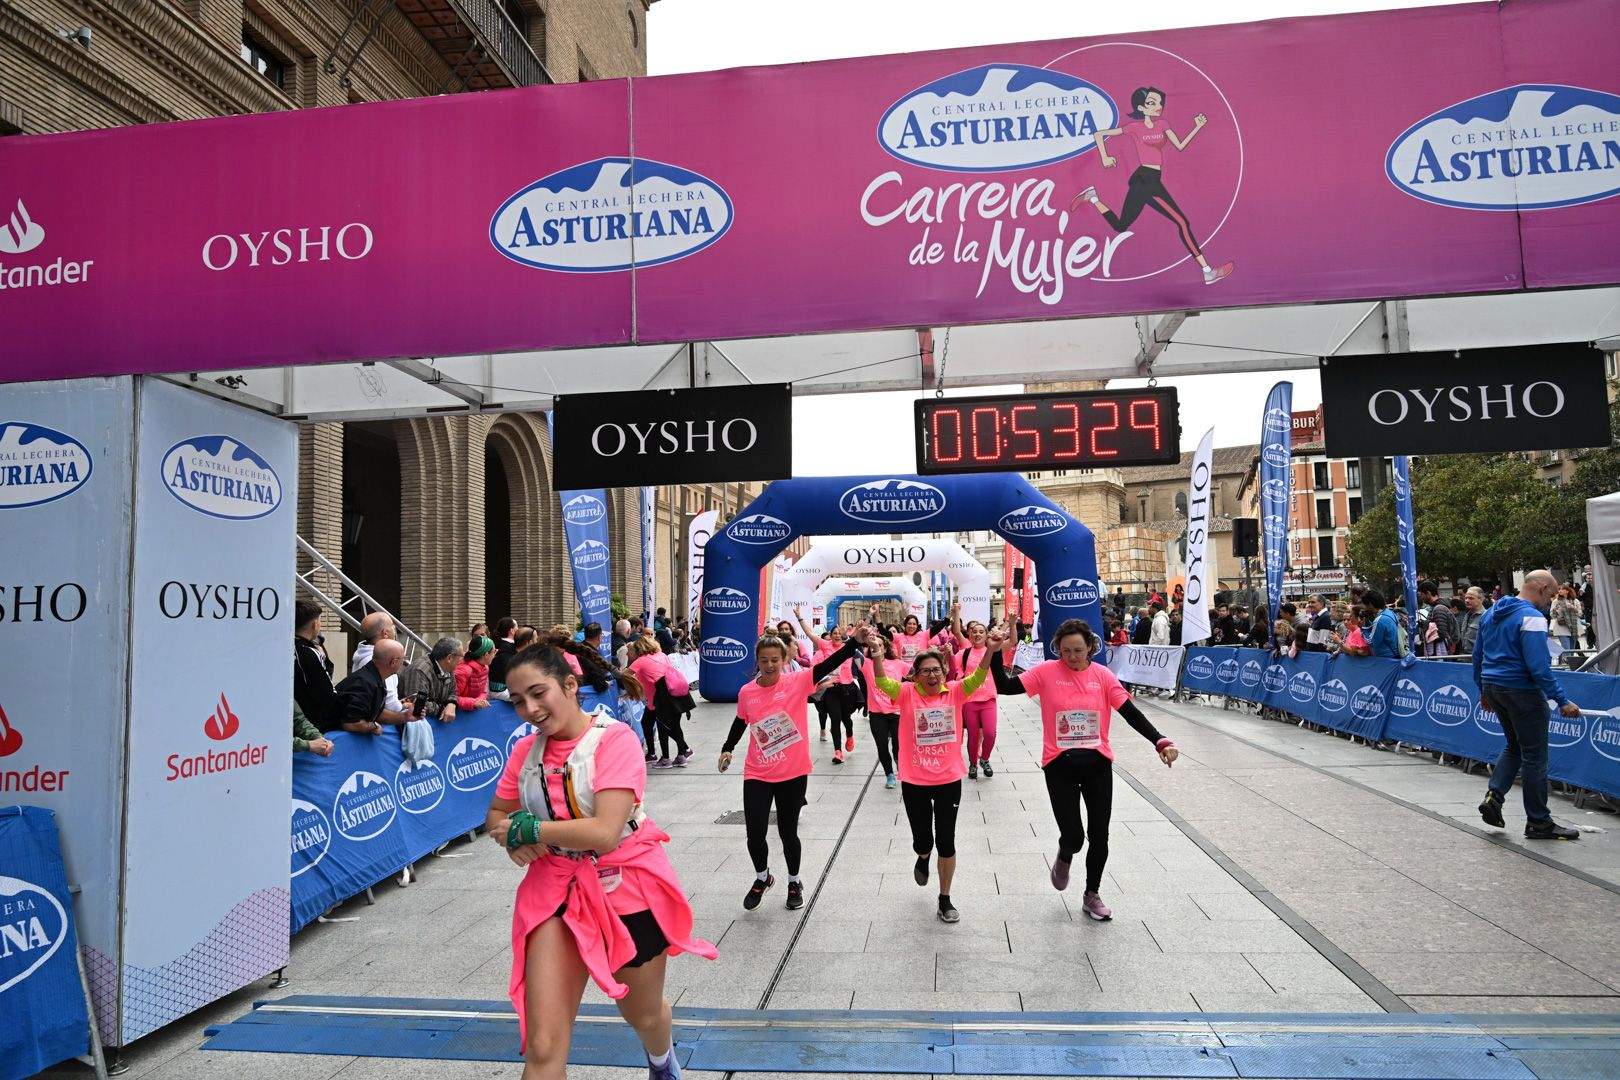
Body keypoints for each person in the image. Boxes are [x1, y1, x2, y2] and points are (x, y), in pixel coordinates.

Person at [485, 644, 716, 1080]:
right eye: (518, 700)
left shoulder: (615, 740)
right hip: (554, 889)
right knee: (543, 1044)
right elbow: (496, 814)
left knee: (643, 1016)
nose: (530, 709)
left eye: (539, 693)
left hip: (623, 887)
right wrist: (509, 836)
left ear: (570, 685)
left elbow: (604, 832)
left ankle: (662, 1060)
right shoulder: (525, 753)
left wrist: (530, 830)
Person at [990, 619, 1179, 920]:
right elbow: (1004, 686)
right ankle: (1065, 855)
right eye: (1065, 651)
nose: (1072, 657)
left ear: (1090, 647)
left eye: (1078, 650)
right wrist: (997, 652)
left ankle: (1092, 893)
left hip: (1097, 765)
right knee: (1074, 836)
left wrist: (1160, 741)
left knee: (1100, 835)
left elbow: (1130, 712)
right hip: (1059, 765)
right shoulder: (1046, 672)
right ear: (1058, 650)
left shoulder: (1103, 676)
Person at [860, 624, 1002, 925]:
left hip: (949, 778)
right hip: (915, 780)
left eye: (937, 669)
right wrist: (875, 656)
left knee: (947, 841)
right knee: (923, 840)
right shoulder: (906, 693)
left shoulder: (956, 691)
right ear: (915, 674)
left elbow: (978, 677)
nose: (932, 675)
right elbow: (883, 683)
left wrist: (989, 649)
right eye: (925, 670)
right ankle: (922, 856)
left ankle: (945, 898)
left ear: (944, 671)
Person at [718, 630, 865, 910]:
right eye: (764, 660)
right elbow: (741, 721)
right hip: (758, 772)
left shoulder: (798, 681)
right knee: (755, 833)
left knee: (787, 832)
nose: (770, 665)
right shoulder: (747, 691)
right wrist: (728, 747)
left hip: (793, 771)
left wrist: (854, 643)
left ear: (785, 659)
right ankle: (762, 877)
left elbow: (827, 665)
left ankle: (794, 881)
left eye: (775, 659)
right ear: (757, 661)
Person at [1074, 87, 1233, 286]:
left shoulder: (1163, 124)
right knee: (1182, 222)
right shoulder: (1134, 128)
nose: (1157, 107)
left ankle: (1093, 197)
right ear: (1141, 107)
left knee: (1120, 226)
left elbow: (1181, 145)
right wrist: (1105, 157)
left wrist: (1197, 126)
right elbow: (1099, 134)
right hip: (1145, 180)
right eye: (1151, 103)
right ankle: (1207, 271)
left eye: (1159, 103)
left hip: (1150, 179)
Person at [1475, 570, 1583, 841]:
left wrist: (1483, 690)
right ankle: (1538, 821)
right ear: (1543, 588)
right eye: (1551, 595)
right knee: (1535, 756)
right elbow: (1538, 667)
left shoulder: (1490, 614)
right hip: (1522, 691)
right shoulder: (1532, 618)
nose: (1550, 602)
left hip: (1494, 686)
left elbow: (1478, 655)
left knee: (1514, 746)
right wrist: (1562, 700)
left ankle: (1494, 795)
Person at [794, 605, 858, 763]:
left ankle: (849, 735)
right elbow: (809, 633)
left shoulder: (848, 648)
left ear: (842, 635)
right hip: (830, 688)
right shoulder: (824, 645)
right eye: (834, 633)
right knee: (835, 718)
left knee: (846, 719)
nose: (836, 635)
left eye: (839, 633)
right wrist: (800, 618)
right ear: (830, 636)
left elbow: (859, 635)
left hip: (847, 688)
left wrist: (870, 616)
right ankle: (838, 752)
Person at [951, 609, 1008, 781]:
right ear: (969, 634)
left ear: (986, 635)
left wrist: (1011, 624)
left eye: (981, 631)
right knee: (974, 736)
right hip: (969, 700)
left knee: (990, 733)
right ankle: (973, 764)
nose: (977, 634)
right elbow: (954, 670)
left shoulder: (993, 650)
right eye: (974, 631)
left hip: (988, 698)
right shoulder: (964, 653)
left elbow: (1011, 641)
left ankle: (985, 759)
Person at [628, 637, 693, 768]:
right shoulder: (662, 655)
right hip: (675, 694)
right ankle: (682, 753)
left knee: (664, 727)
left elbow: (625, 675)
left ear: (638, 649)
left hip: (660, 698)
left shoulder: (640, 661)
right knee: (672, 725)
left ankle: (666, 758)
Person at [329, 638, 406, 735]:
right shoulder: (365, 683)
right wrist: (374, 726)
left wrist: (406, 716)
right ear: (393, 662)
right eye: (403, 659)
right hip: (328, 737)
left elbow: (377, 713)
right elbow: (351, 723)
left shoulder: (374, 677)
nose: (403, 662)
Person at [352, 612, 414, 727]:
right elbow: (389, 704)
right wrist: (402, 708)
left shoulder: (362, 653)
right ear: (385, 633)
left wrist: (400, 704)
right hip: (381, 723)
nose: (395, 631)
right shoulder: (380, 661)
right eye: (393, 627)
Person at [860, 630, 904, 789]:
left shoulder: (898, 664)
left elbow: (916, 674)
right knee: (882, 746)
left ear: (885, 648)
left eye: (879, 645)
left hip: (897, 713)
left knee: (898, 746)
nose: (875, 648)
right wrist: (858, 636)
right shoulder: (866, 664)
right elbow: (849, 653)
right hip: (877, 714)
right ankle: (889, 774)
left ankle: (901, 765)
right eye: (872, 646)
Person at [293, 599, 342, 728]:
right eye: (320, 620)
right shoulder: (309, 652)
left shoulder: (286, 647)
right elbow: (326, 695)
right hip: (312, 723)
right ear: (315, 624)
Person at [398, 636, 465, 722]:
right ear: (449, 658)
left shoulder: (448, 668)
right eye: (461, 656)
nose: (462, 660)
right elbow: (417, 702)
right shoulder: (420, 670)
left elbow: (453, 691)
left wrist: (452, 703)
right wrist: (442, 709)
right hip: (411, 722)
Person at [1418, 582, 1458, 656]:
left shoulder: (1438, 609)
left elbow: (1440, 634)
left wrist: (1426, 627)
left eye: (1421, 595)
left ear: (1428, 593)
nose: (1421, 598)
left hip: (1440, 653)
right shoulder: (1435, 607)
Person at [458, 636, 495, 711]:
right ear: (486, 655)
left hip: (472, 713)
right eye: (494, 652)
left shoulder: (485, 668)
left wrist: (479, 701)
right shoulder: (463, 671)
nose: (494, 655)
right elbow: (451, 698)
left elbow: (484, 691)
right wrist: (473, 703)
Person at [1549, 583, 1583, 651]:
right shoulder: (1556, 601)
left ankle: (1568, 661)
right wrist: (1557, 610)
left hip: (1574, 628)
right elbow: (1552, 615)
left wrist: (1573, 608)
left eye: (1562, 589)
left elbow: (1580, 614)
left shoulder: (1575, 601)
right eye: (1559, 589)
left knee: (1572, 650)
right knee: (1566, 650)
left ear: (1567, 591)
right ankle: (1565, 661)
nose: (1559, 591)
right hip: (1561, 628)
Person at [1457, 586, 1486, 655]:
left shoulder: (1486, 616)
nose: (1467, 600)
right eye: (1466, 598)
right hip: (1464, 657)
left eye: (1471, 598)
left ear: (1481, 599)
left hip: (1479, 658)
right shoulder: (1466, 616)